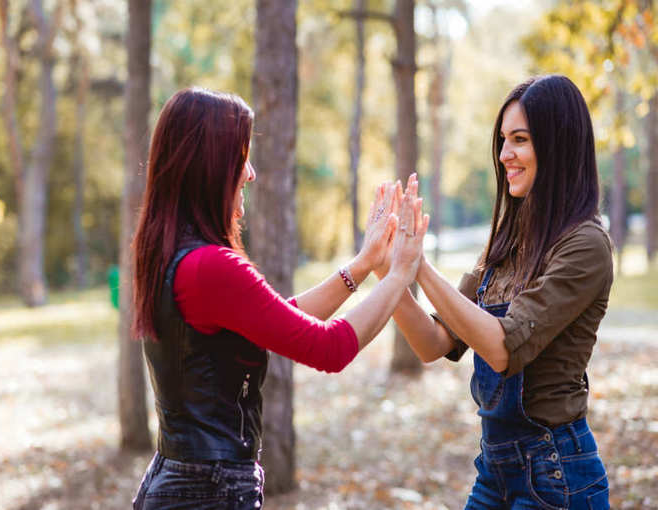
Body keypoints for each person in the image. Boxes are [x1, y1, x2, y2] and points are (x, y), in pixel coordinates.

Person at [130, 87, 428, 510]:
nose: (250, 173)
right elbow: (330, 348)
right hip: (208, 491)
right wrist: (398, 275)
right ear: (211, 166)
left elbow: (275, 322)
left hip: (179, 479)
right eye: (241, 157)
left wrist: (362, 266)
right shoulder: (211, 267)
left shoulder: (173, 253)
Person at [378, 75, 612, 509]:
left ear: (557, 145)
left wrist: (419, 266)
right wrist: (387, 270)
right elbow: (434, 343)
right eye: (503, 140)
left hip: (556, 474)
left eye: (520, 139)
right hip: (494, 470)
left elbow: (503, 349)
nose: (505, 154)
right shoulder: (506, 243)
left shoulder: (585, 246)